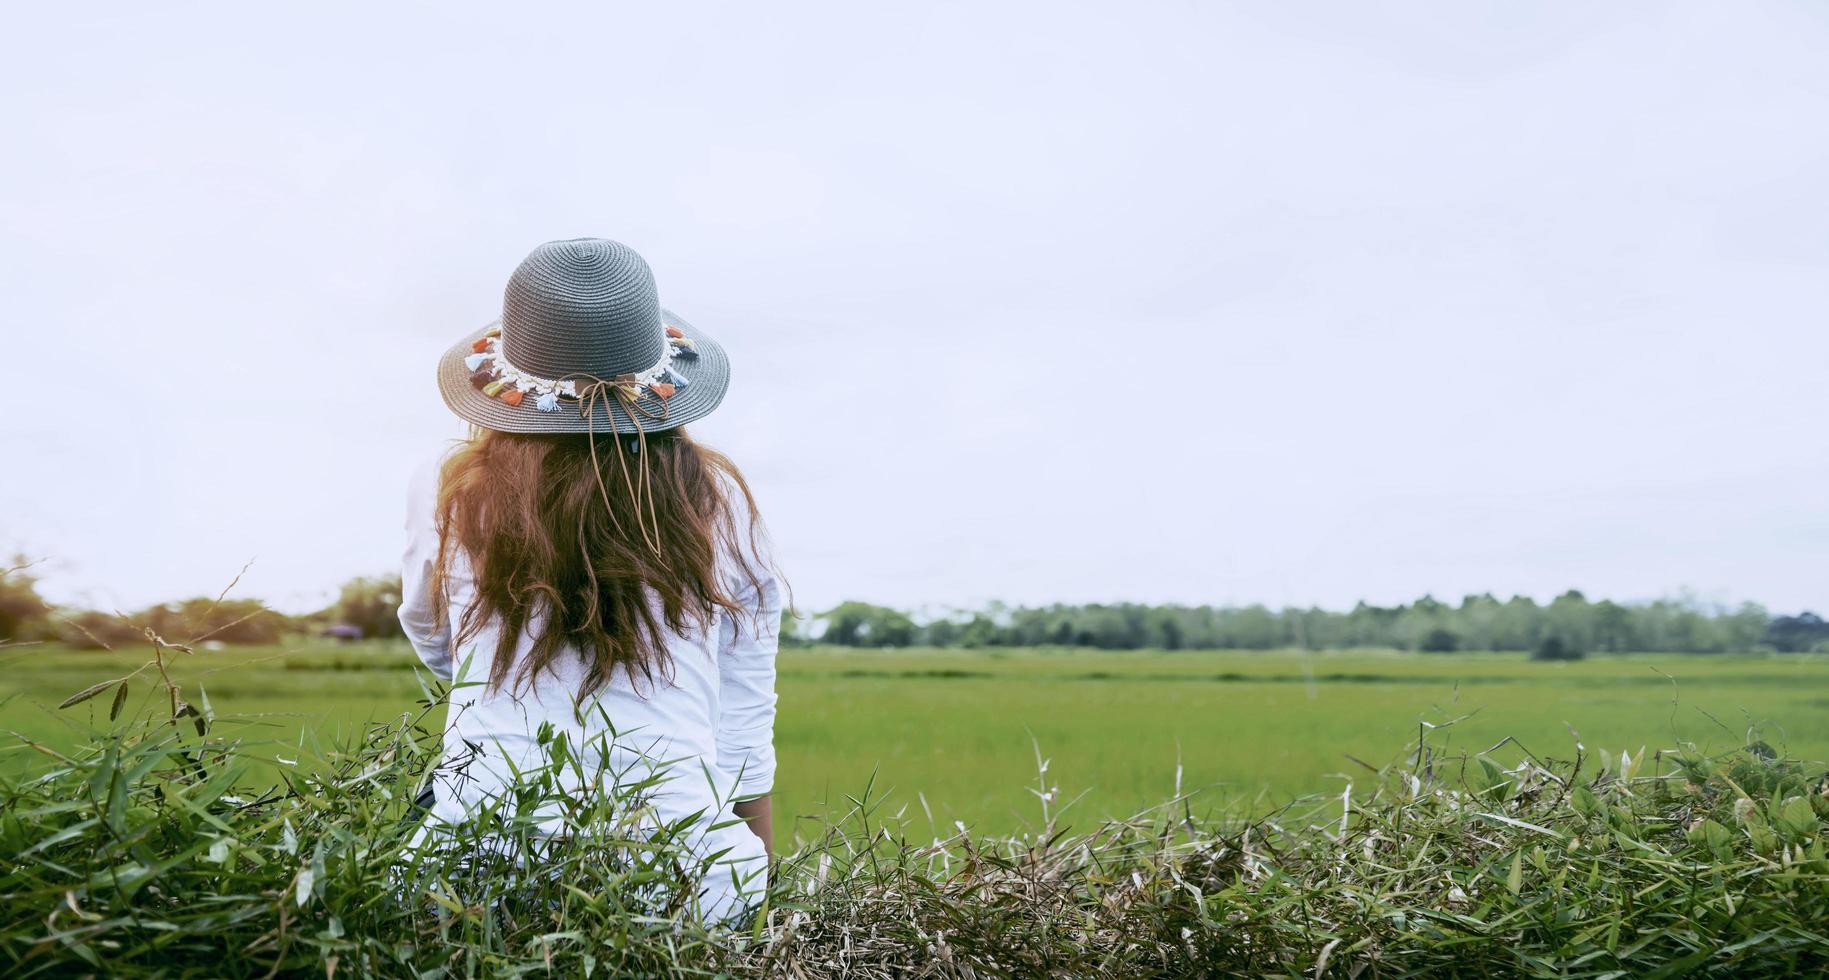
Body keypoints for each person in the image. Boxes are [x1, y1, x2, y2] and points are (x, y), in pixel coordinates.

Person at [397, 238, 782, 921]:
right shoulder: (719, 497)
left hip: (468, 870)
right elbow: (744, 726)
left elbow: (437, 642)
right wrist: (756, 905)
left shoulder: (448, 486)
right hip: (687, 881)